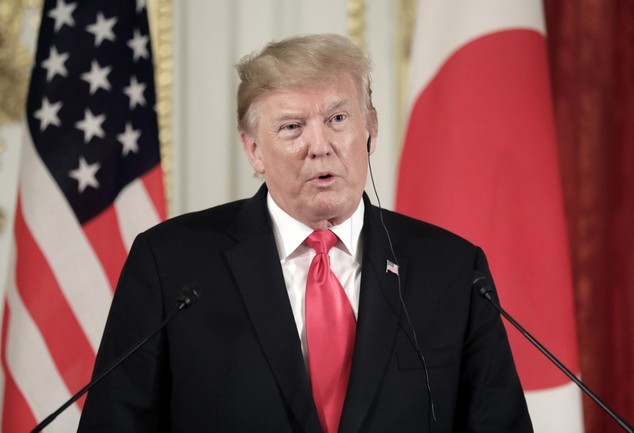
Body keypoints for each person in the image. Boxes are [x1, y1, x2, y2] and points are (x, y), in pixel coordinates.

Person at [78, 33, 533, 432]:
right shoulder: (171, 265)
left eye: (338, 119)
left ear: (370, 129)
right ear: (254, 150)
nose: (320, 147)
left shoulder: (452, 270)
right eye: (292, 127)